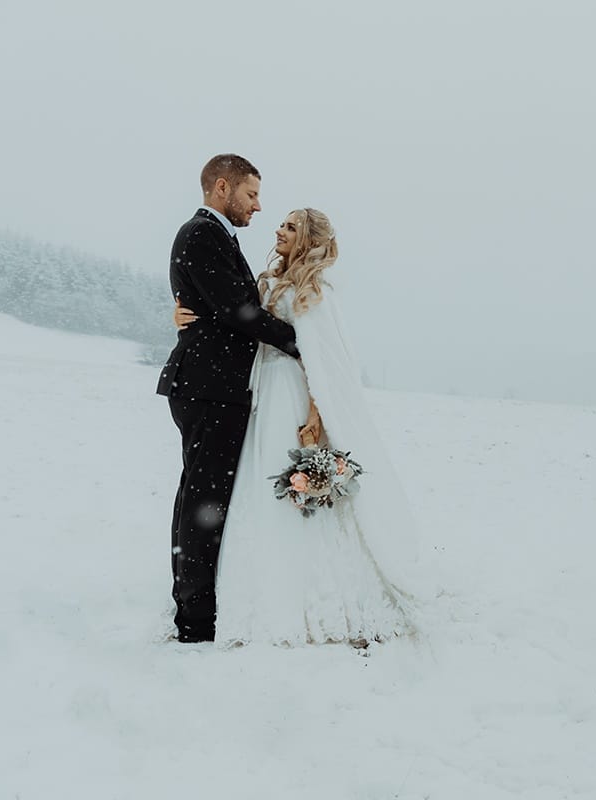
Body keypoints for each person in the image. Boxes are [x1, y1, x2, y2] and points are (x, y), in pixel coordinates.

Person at [174, 207, 419, 647]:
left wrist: (315, 416)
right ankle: (252, 587)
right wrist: (182, 314)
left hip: (290, 394)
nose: (279, 230)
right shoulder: (268, 282)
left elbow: (322, 361)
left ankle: (308, 592)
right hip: (258, 393)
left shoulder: (314, 290)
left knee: (284, 485)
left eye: (290, 227)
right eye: (282, 224)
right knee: (253, 485)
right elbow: (234, 313)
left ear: (309, 238)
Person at [157, 154, 301, 644]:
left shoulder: (213, 237)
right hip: (209, 389)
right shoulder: (201, 234)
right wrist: (301, 342)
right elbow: (238, 311)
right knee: (204, 502)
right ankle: (195, 621)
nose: (258, 206)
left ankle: (196, 605)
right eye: (251, 194)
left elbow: (217, 304)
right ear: (223, 187)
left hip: (214, 386)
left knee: (203, 497)